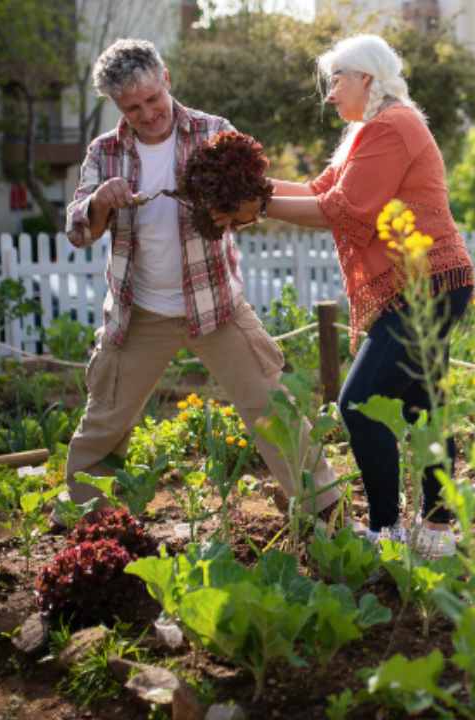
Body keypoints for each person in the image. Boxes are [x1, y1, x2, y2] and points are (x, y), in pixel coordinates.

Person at [61, 38, 339, 520]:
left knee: (273, 406)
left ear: (166, 79)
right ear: (116, 106)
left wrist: (234, 207)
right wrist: (100, 202)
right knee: (105, 420)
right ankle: (86, 523)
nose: (147, 114)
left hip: (217, 307)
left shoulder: (214, 133)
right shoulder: (103, 153)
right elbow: (78, 230)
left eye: (152, 99)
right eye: (133, 108)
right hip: (139, 312)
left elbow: (251, 207)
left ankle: (324, 511)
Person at [245, 34, 475, 558]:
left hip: (425, 285)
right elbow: (319, 189)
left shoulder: (392, 126)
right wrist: (252, 186)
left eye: (336, 81)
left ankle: (386, 530)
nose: (329, 95)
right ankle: (437, 532)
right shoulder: (370, 130)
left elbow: (344, 209)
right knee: (423, 405)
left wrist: (256, 204)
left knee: (359, 402)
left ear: (366, 78)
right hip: (428, 283)